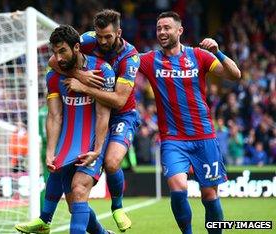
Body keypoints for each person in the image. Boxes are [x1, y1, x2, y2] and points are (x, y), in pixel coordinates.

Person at [138, 12, 241, 233]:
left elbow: (235, 75)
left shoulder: (198, 56)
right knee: (178, 188)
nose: (162, 32)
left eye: (167, 27)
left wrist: (218, 52)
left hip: (204, 136)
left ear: (179, 31)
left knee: (209, 195)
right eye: (159, 28)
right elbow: (122, 58)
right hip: (173, 139)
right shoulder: (149, 60)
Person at [15, 25, 114, 234]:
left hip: (93, 143)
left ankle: (44, 220)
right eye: (54, 52)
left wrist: (98, 149)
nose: (57, 58)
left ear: (76, 47)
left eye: (62, 51)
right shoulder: (53, 77)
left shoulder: (102, 71)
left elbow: (103, 114)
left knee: (78, 191)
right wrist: (51, 151)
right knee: (74, 205)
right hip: (68, 146)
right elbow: (54, 115)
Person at [48, 9, 140, 232]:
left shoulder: (130, 57)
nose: (103, 41)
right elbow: (54, 60)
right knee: (74, 197)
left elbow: (118, 100)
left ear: (118, 32)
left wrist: (85, 86)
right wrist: (80, 75)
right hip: (94, 112)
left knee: (111, 162)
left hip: (121, 114)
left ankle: (117, 207)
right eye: (99, 36)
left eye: (108, 36)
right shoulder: (87, 39)